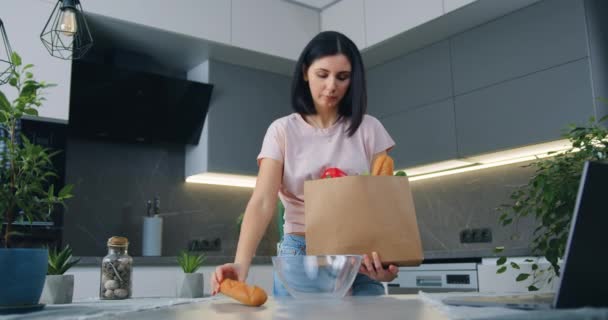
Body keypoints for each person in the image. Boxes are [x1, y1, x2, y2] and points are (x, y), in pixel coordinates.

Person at [210, 30, 399, 297]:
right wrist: (241, 264)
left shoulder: (369, 129)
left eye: (342, 77)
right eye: (322, 74)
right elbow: (262, 201)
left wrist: (389, 260)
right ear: (304, 73)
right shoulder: (282, 131)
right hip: (302, 254)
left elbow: (385, 204)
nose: (332, 86)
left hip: (359, 258)